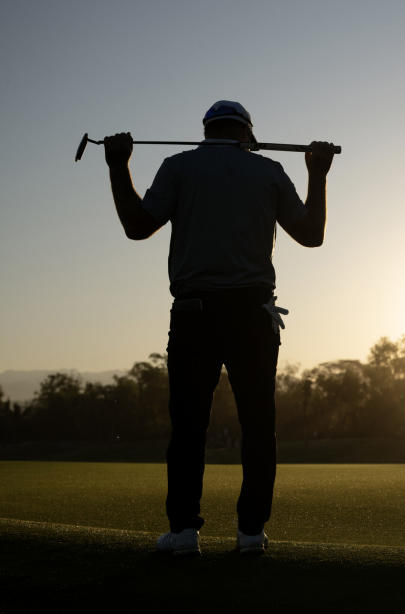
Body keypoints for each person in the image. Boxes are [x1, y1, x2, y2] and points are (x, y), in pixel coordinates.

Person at [103, 100, 336, 555]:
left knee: (189, 425)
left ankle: (185, 532)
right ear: (247, 132)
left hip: (194, 313)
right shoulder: (268, 171)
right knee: (257, 423)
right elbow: (311, 234)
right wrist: (318, 173)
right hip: (253, 314)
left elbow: (136, 226)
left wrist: (118, 166)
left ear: (206, 131)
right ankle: (251, 534)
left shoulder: (178, 166)